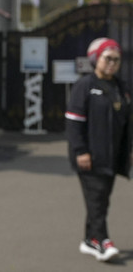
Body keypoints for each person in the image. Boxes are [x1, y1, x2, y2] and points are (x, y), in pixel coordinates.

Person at [65, 37, 133, 262]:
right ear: (96, 59)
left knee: (101, 199)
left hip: (112, 158)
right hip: (90, 157)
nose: (112, 63)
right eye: (107, 58)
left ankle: (89, 240)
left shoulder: (121, 87)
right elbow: (74, 122)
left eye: (116, 59)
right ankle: (103, 241)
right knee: (96, 199)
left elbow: (127, 122)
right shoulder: (84, 86)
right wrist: (80, 150)